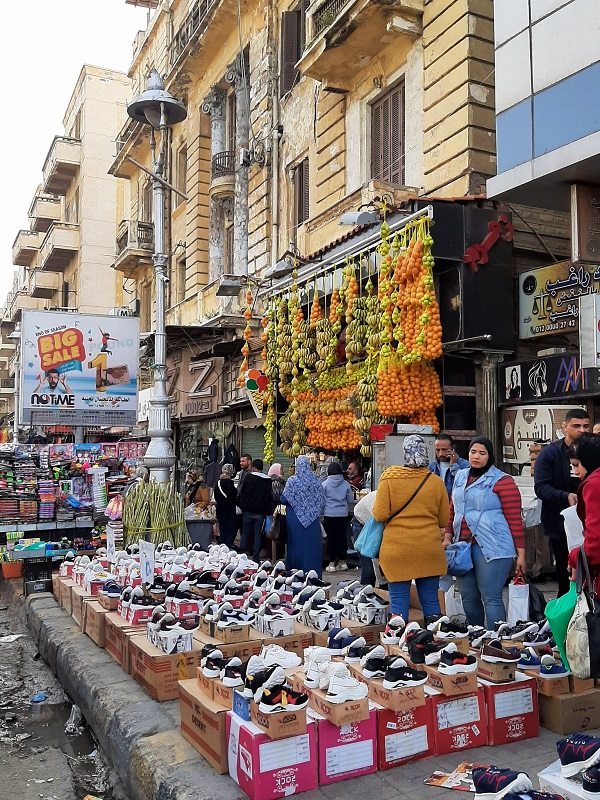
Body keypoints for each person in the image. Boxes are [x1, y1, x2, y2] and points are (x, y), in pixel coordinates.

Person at [444, 436, 526, 629]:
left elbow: (515, 520)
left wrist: (521, 555)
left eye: (482, 453)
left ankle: (496, 641)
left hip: (494, 545)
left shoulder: (503, 481)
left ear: (490, 456)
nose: (476, 457)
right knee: (468, 596)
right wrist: (447, 535)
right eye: (473, 452)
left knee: (490, 596)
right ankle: (476, 637)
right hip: (462, 546)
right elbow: (452, 509)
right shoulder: (460, 476)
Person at [373, 434, 449, 621]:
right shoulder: (436, 482)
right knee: (431, 600)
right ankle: (434, 641)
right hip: (429, 550)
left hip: (398, 551)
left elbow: (379, 514)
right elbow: (443, 520)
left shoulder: (389, 478)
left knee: (399, 600)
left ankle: (397, 640)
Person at [534, 408, 590, 596]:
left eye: (585, 426)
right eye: (576, 426)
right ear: (564, 427)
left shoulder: (593, 451)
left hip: (591, 522)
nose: (582, 430)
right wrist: (565, 496)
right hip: (560, 524)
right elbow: (541, 488)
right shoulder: (550, 453)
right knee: (566, 577)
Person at [282, 456, 325, 577]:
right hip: (312, 520)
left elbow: (284, 499)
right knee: (312, 547)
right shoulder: (316, 481)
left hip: (294, 519)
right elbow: (322, 501)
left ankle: (296, 574)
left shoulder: (292, 481)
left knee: (295, 546)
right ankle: (314, 575)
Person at [567, 435, 600, 590]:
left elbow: (596, 542)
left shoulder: (594, 485)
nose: (575, 471)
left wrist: (575, 557)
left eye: (577, 465)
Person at [238, 458, 274, 561]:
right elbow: (269, 497)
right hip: (260, 512)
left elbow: (242, 492)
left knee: (245, 533)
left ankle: (242, 555)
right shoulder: (267, 480)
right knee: (257, 534)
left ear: (253, 467)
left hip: (248, 510)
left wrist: (243, 505)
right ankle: (256, 556)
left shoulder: (248, 477)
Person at [322, 461, 355, 573]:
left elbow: (321, 501)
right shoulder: (346, 484)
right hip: (342, 514)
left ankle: (331, 564)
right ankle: (343, 562)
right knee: (342, 538)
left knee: (331, 538)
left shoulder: (325, 484)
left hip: (329, 514)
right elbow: (350, 500)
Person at [428, 433, 469, 498]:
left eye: (444, 450)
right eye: (437, 450)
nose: (441, 453)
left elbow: (466, 485)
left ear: (453, 448)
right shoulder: (432, 467)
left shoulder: (465, 465)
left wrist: (454, 465)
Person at [352, 490, 377, 585]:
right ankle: (365, 594)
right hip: (361, 522)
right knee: (368, 568)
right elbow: (380, 518)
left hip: (372, 523)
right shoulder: (380, 499)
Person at [214, 464, 238, 548]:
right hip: (229, 510)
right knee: (230, 529)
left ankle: (221, 545)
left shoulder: (218, 483)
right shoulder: (230, 483)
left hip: (220, 509)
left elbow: (216, 496)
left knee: (222, 528)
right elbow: (234, 497)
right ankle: (227, 546)